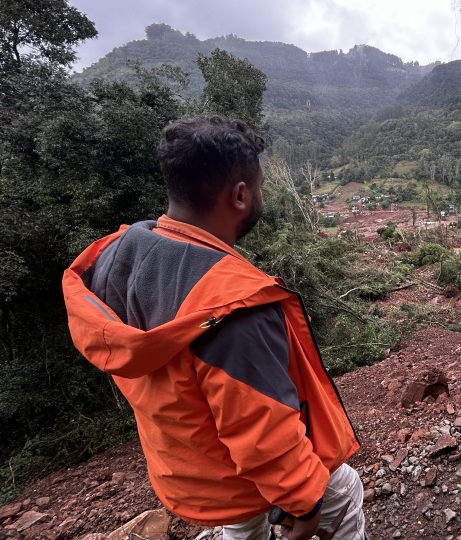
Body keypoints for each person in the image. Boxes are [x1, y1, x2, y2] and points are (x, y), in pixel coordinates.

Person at [63, 117, 365, 540]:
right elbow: (260, 427)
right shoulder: (234, 307)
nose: (260, 194)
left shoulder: (120, 255)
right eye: (259, 185)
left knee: (242, 528)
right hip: (239, 479)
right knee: (345, 489)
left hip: (193, 468)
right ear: (241, 194)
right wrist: (304, 501)